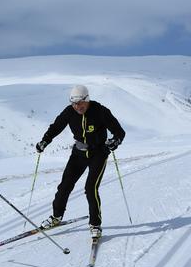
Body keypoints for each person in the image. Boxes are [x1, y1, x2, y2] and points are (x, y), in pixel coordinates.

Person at [35, 85, 125, 240]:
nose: (77, 107)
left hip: (98, 153)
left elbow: (119, 131)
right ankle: (56, 217)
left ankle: (95, 225)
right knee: (65, 186)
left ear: (87, 99)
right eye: (74, 103)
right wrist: (45, 141)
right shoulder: (69, 112)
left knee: (91, 188)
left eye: (80, 103)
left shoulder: (100, 111)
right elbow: (56, 127)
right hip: (79, 153)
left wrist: (115, 141)